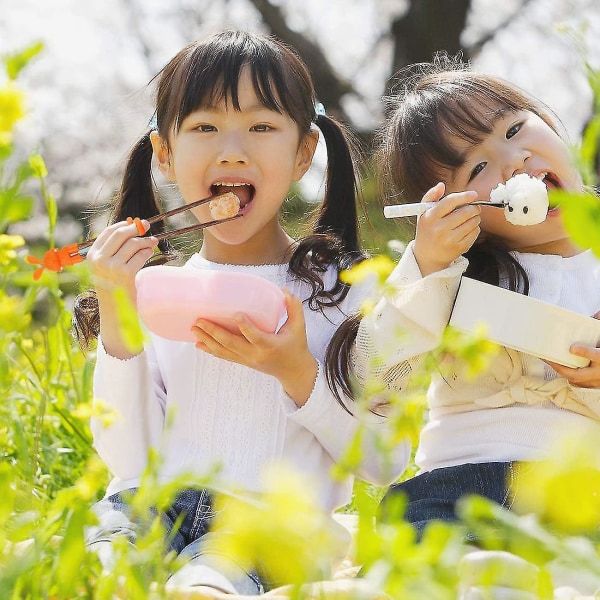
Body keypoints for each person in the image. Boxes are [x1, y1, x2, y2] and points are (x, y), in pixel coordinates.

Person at [73, 30, 409, 595]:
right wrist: (118, 311)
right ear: (164, 152)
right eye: (205, 127)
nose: (233, 150)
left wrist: (298, 373)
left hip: (270, 528)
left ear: (304, 153)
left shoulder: (347, 294)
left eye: (261, 127)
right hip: (150, 508)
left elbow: (385, 460)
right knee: (96, 571)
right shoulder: (155, 290)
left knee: (204, 585)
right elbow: (129, 460)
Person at [341, 54, 600, 590]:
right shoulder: (456, 279)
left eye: (513, 129)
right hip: (461, 484)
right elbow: (376, 383)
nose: (513, 162)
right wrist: (428, 266)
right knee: (412, 551)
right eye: (476, 170)